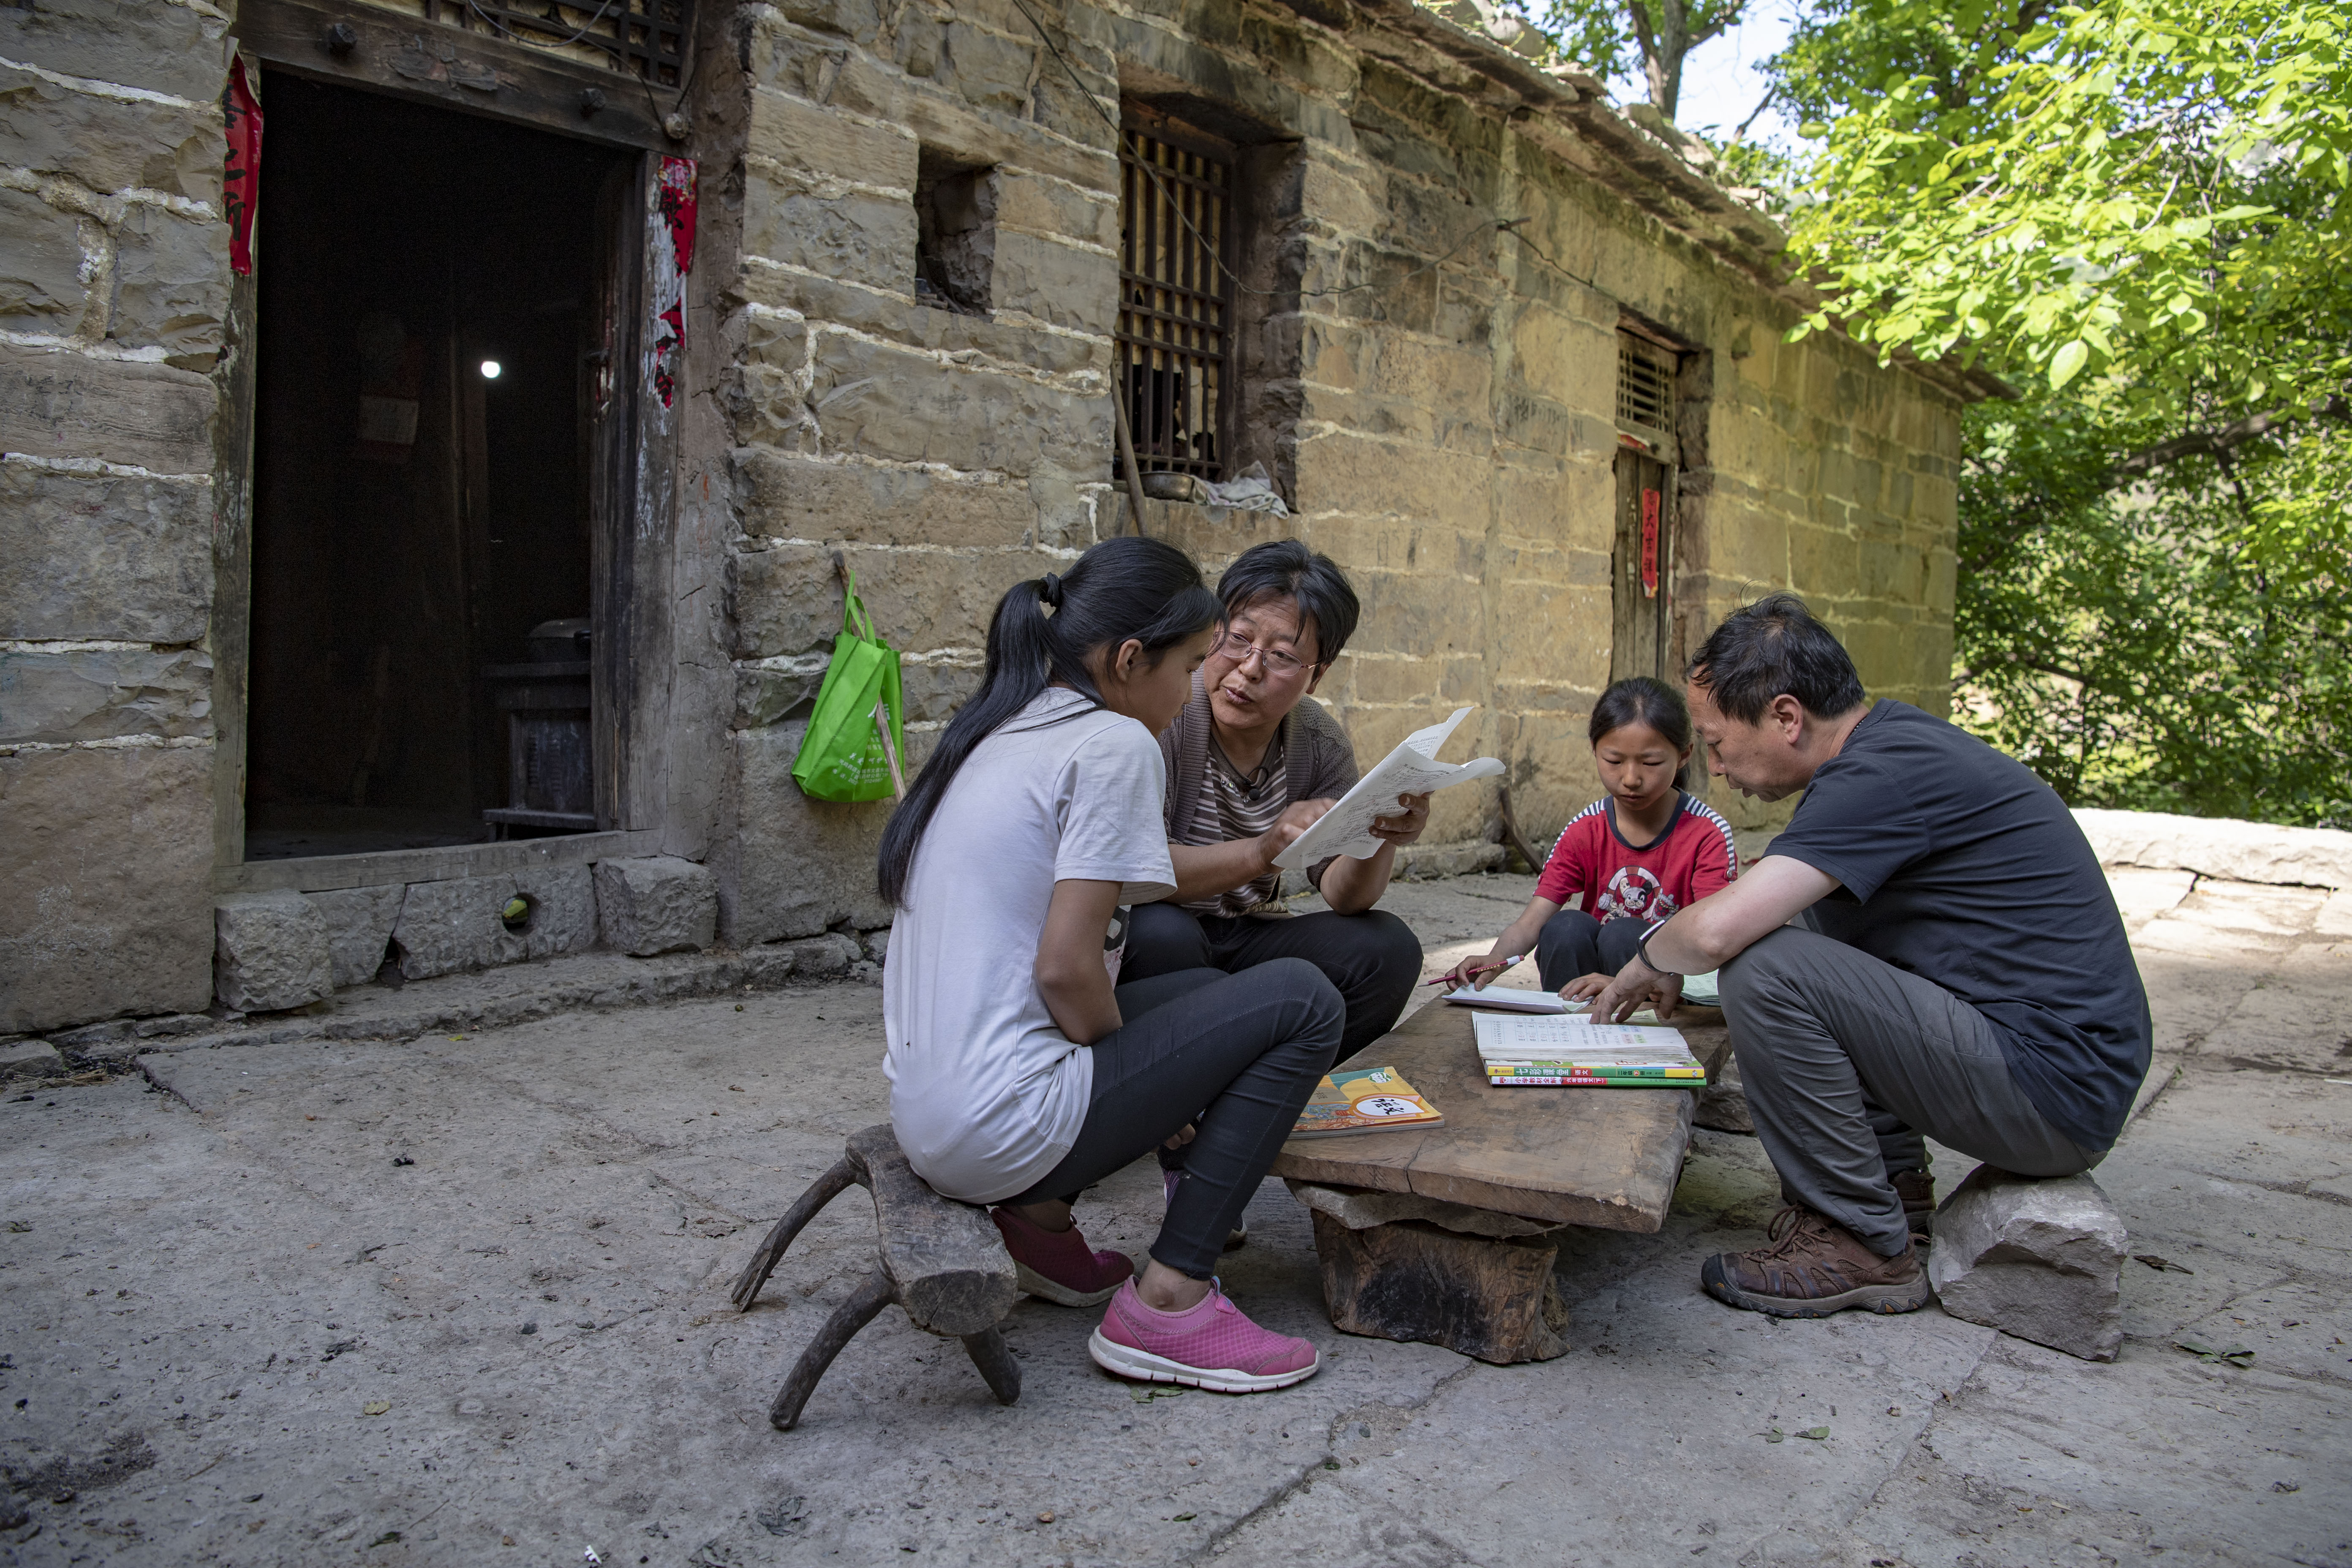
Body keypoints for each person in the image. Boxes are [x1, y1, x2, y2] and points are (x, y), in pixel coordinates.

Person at [1587, 593, 2153, 1318]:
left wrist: (1649, 956)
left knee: (1764, 967)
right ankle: (1893, 1192)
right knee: (1802, 905)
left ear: (1786, 717)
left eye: (1717, 742)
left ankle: (1857, 1238)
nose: (1717, 769)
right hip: (2054, 1074)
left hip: (2051, 1091)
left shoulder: (1877, 775)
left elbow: (1712, 935)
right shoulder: (1887, 751)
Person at [878, 535, 1342, 1392]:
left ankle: (1040, 1219)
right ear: (1131, 659)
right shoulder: (1114, 742)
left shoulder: (998, 724)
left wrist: (1155, 1066)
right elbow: (1065, 968)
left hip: (930, 1113)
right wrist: (1154, 1090)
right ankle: (1170, 1299)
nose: (1200, 685)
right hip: (995, 1126)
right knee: (1306, 1000)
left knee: (1208, 990)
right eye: (1195, 663)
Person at [1122, 539, 1428, 1057]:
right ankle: (1173, 1081)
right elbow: (1138, 869)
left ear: (1319, 673)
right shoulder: (1167, 715)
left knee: (1386, 949)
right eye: (1237, 639)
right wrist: (1263, 849)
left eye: (1283, 656)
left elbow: (1344, 895)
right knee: (1159, 932)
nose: (1249, 669)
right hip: (1163, 937)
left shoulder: (1319, 743)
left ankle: (1291, 1085)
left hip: (1246, 934)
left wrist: (1382, 831)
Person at [1439, 676, 1737, 1000]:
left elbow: (1715, 945)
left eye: (1650, 763)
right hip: (1587, 987)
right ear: (1594, 750)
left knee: (1626, 935)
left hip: (1664, 990)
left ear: (1684, 755)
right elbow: (1532, 922)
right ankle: (1567, 1025)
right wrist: (1493, 962)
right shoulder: (1586, 828)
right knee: (1565, 928)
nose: (1631, 778)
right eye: (1614, 761)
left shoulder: (1708, 833)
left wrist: (1630, 982)